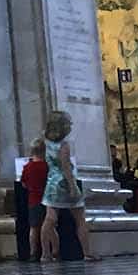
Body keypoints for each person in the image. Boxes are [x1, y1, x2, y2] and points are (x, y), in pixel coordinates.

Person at [40, 110, 100, 262]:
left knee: (50, 219)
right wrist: (73, 187)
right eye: (68, 123)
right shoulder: (64, 145)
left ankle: (45, 253)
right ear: (62, 126)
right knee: (80, 219)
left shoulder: (45, 141)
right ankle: (86, 252)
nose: (71, 125)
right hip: (64, 184)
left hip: (51, 184)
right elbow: (66, 167)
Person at [21, 140, 49, 262]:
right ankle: (52, 250)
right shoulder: (47, 166)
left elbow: (23, 183)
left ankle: (33, 252)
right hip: (47, 200)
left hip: (33, 200)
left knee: (34, 228)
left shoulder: (27, 167)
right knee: (49, 227)